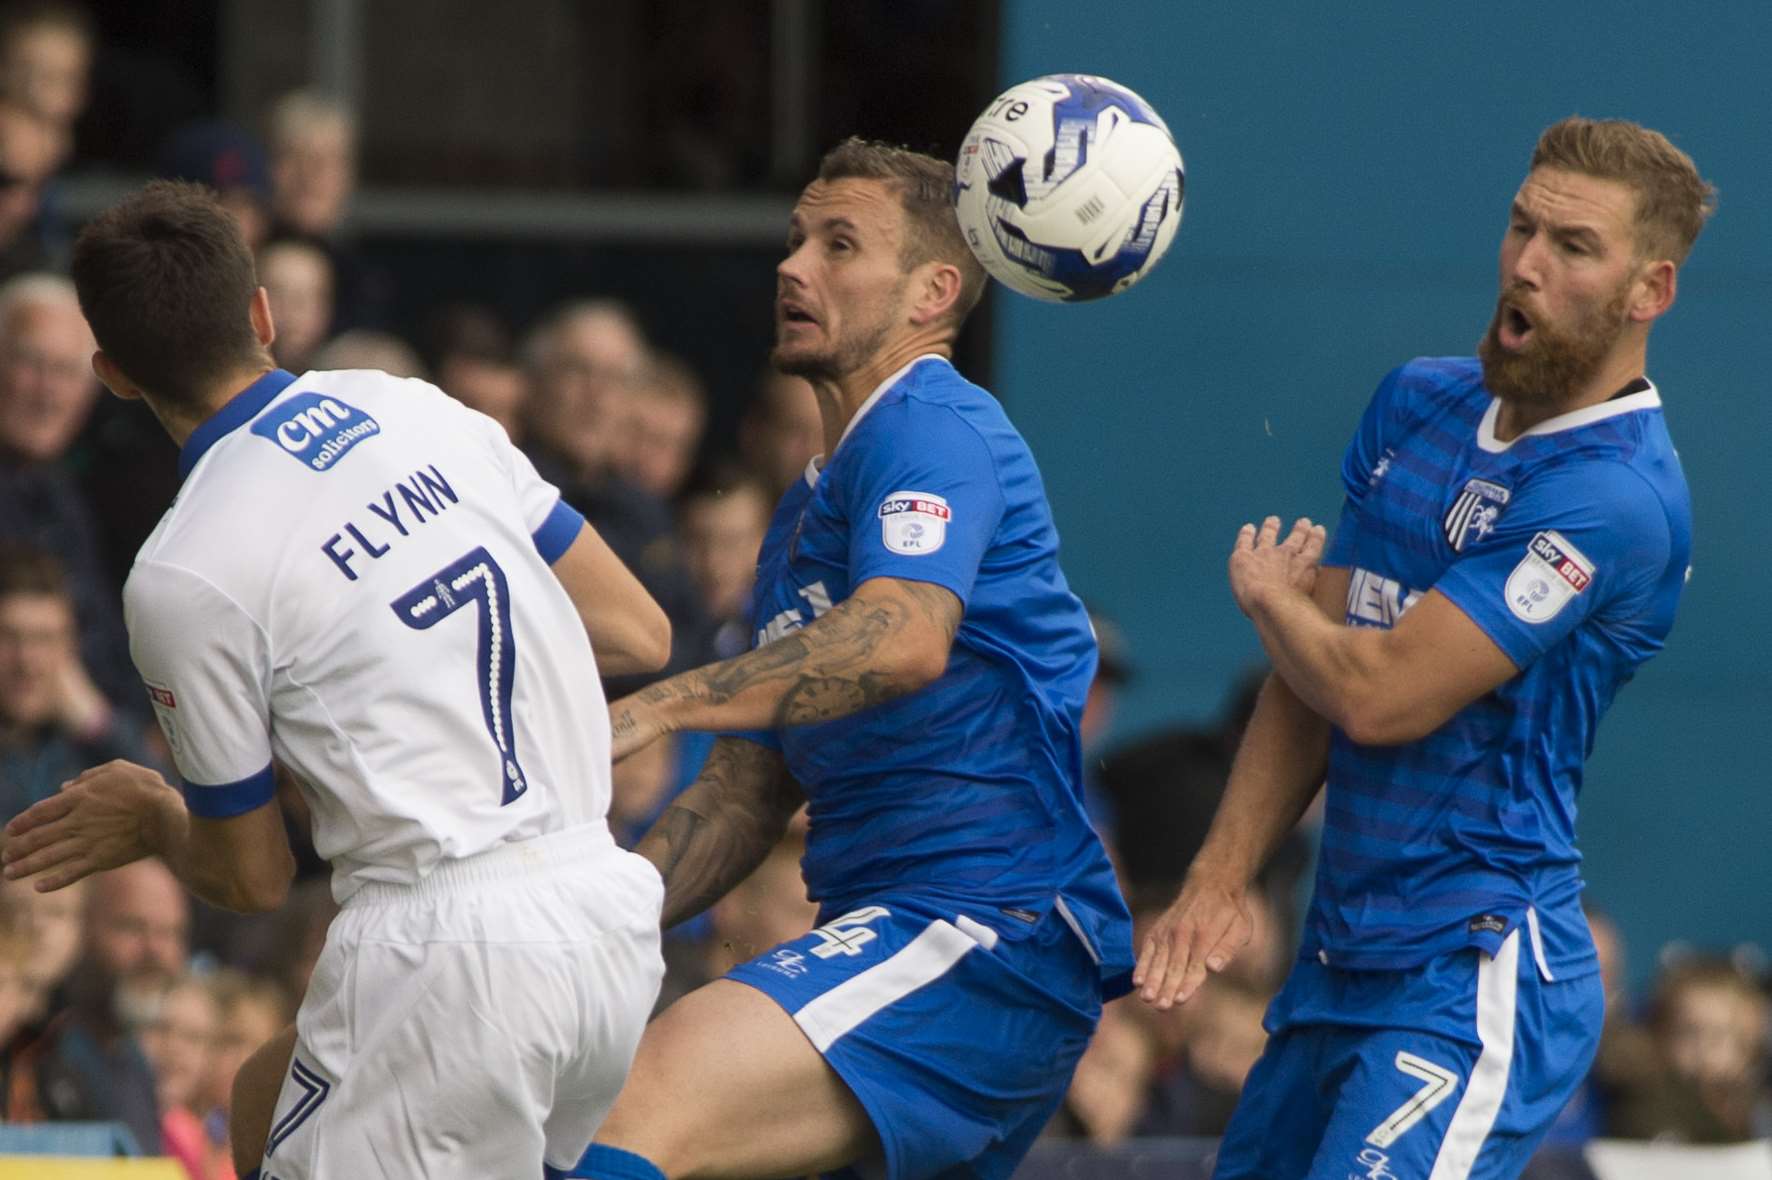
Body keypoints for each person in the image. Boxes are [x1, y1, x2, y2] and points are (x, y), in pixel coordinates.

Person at [0, 179, 674, 1178]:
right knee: (262, 1099)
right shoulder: (411, 405)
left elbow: (251, 876)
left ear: (113, 375)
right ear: (262, 313)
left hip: (449, 951)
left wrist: (151, 817)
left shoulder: (183, 571)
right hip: (606, 914)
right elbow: (639, 630)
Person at [1135, 116, 1712, 1179]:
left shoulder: (1613, 498)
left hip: (1475, 971)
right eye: (1519, 226)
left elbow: (1376, 694)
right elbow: (1315, 673)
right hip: (1335, 957)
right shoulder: (1417, 401)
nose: (1526, 265)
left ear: (1649, 291)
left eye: (1572, 247)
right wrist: (1219, 875)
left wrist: (1273, 602)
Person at [574, 137, 1132, 1180]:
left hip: (979, 925)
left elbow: (907, 636)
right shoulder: (800, 516)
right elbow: (745, 793)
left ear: (933, 291)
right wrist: (585, 920)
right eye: (793, 241)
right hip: (911, 930)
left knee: (625, 1116)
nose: (792, 268)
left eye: (839, 245)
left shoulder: (931, 421)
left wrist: (665, 704)